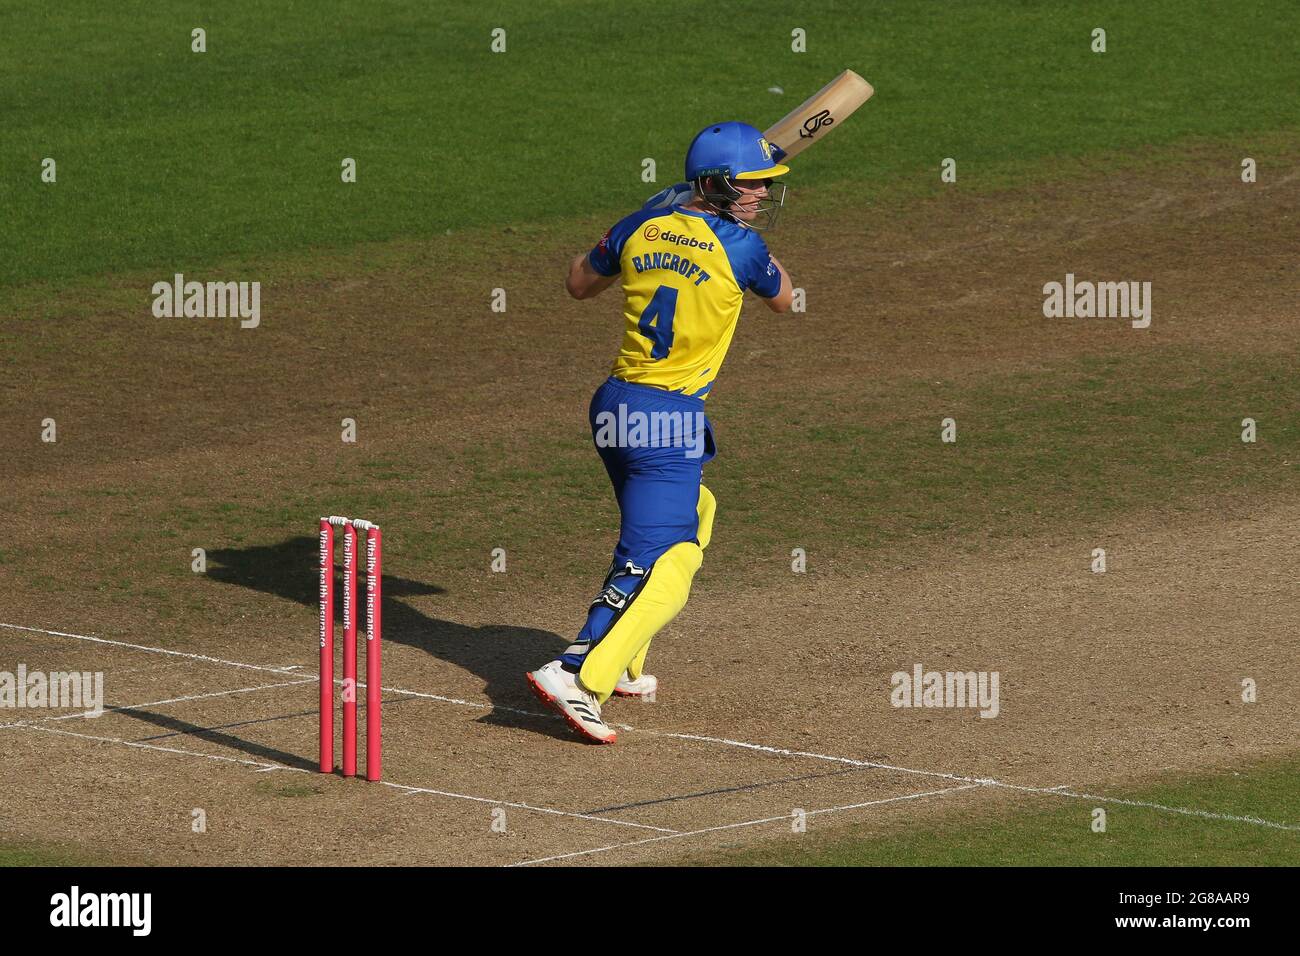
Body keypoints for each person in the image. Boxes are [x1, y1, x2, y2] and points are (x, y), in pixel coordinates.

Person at [525, 121, 795, 743]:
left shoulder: (639, 224)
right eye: (752, 185)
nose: (760, 196)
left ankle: (622, 660)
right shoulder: (743, 247)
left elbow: (577, 284)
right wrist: (733, 237)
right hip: (667, 419)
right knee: (669, 559)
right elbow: (784, 298)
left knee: (693, 514)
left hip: (616, 407)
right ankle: (578, 674)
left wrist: (658, 220)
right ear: (718, 185)